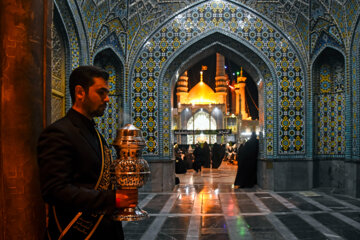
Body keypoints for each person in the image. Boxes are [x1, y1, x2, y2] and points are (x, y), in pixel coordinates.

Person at [37, 66, 137, 240]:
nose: (107, 99)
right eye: (101, 92)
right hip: (78, 233)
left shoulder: (96, 133)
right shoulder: (58, 133)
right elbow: (55, 190)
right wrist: (114, 199)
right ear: (80, 92)